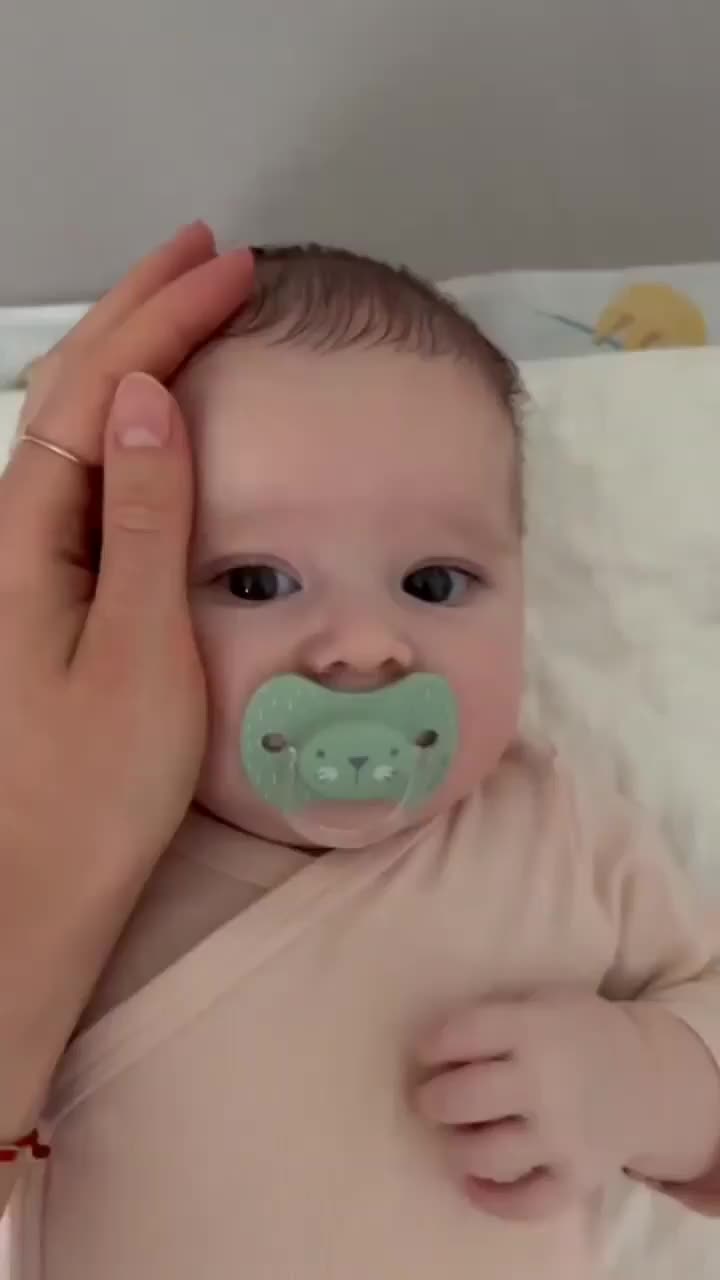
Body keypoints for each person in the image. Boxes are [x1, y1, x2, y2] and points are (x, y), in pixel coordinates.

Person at [2, 239, 720, 1279]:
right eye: (255, 582)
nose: (365, 646)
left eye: (434, 583)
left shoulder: (554, 831)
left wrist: (644, 1079)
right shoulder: (82, 855)